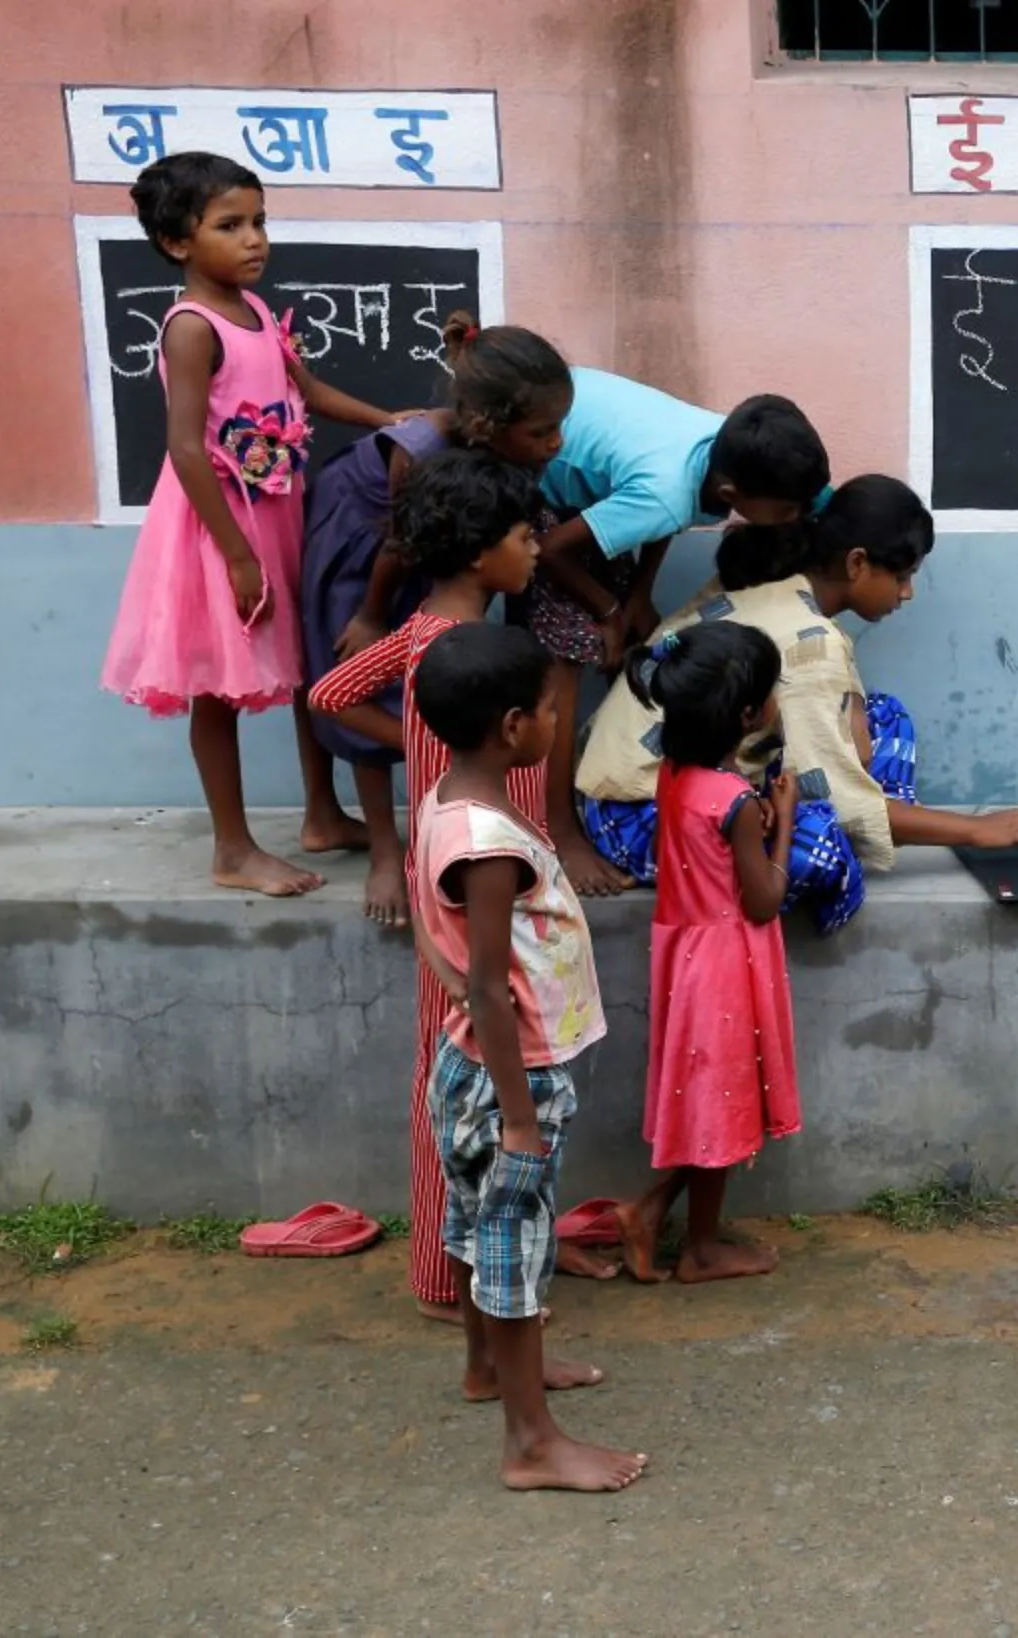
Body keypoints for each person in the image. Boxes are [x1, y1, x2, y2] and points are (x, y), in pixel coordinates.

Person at [310, 450, 616, 1319]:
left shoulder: (420, 636)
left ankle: (493, 1258)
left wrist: (421, 749)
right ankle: (450, 1280)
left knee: (475, 1079)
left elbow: (329, 694)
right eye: (526, 536)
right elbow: (331, 698)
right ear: (484, 551)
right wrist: (425, 749)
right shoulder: (480, 656)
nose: (535, 551)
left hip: (471, 876)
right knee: (474, 1079)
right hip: (478, 895)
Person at [99, 151, 408, 898]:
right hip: (217, 528)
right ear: (179, 243)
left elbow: (309, 391)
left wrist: (389, 420)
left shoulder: (261, 312)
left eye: (259, 221)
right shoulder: (192, 327)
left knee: (303, 662)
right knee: (217, 684)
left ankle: (321, 815)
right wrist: (237, 557)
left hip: (277, 512)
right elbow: (184, 447)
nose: (254, 239)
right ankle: (232, 848)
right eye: (230, 225)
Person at [575, 477, 1018, 929]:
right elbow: (836, 794)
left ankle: (884, 822)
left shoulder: (772, 579)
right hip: (637, 814)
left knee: (884, 714)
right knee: (823, 842)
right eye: (902, 576)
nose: (908, 593)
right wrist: (977, 831)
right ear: (857, 563)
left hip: (662, 774)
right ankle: (866, 842)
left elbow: (827, 686)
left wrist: (848, 701)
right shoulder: (814, 645)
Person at [404, 620, 646, 1493]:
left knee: (480, 1231)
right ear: (514, 726)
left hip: (476, 1063)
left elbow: (466, 965)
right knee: (514, 1246)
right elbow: (492, 986)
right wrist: (516, 1115)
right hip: (513, 1077)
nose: (559, 723)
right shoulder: (488, 844)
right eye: (552, 711)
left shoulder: (450, 801)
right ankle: (532, 1445)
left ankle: (487, 1367)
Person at [300, 315, 575, 927]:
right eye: (542, 431)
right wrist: (371, 618)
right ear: (489, 426)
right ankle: (381, 846)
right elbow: (396, 546)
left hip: (432, 554)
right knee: (372, 670)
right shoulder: (420, 454)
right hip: (365, 544)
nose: (555, 442)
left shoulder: (502, 458)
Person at [530, 371, 832, 895]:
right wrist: (607, 611)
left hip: (594, 485)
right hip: (534, 481)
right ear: (733, 494)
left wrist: (639, 596)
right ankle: (557, 829)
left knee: (626, 631)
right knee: (569, 654)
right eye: (785, 512)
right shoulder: (669, 489)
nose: (793, 521)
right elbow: (551, 550)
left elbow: (668, 518)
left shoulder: (725, 445)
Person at [605, 623, 801, 1283]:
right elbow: (763, 900)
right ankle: (701, 1248)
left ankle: (650, 1212)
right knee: (722, 1105)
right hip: (726, 966)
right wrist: (784, 824)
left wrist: (752, 825)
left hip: (686, 956)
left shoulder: (677, 774)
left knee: (708, 1102)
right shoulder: (739, 801)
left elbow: (706, 850)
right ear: (747, 715)